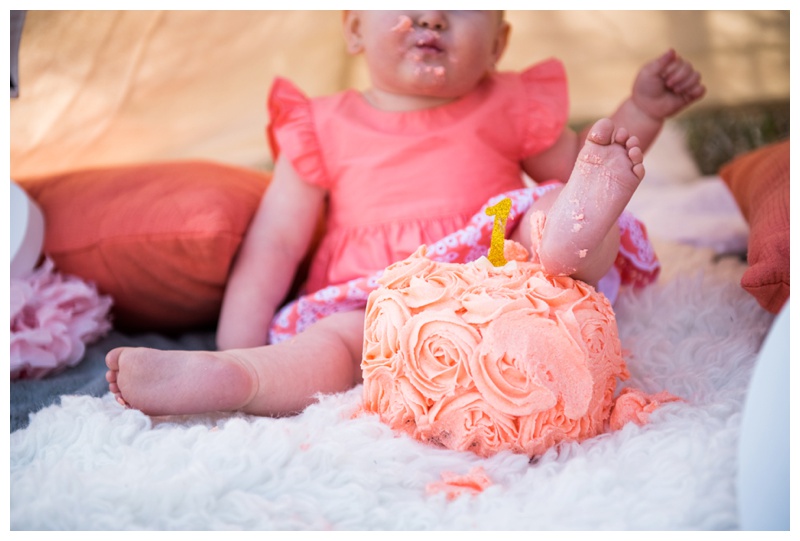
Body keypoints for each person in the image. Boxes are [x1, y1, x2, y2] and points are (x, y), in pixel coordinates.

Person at [106, 10, 705, 417]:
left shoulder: (510, 102)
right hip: (376, 301)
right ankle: (239, 377)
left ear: (498, 43)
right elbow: (274, 246)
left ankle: (571, 230)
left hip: (494, 275)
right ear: (353, 29)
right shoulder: (320, 124)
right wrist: (233, 339)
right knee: (333, 346)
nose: (432, 15)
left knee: (548, 212)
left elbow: (592, 157)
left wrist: (641, 111)